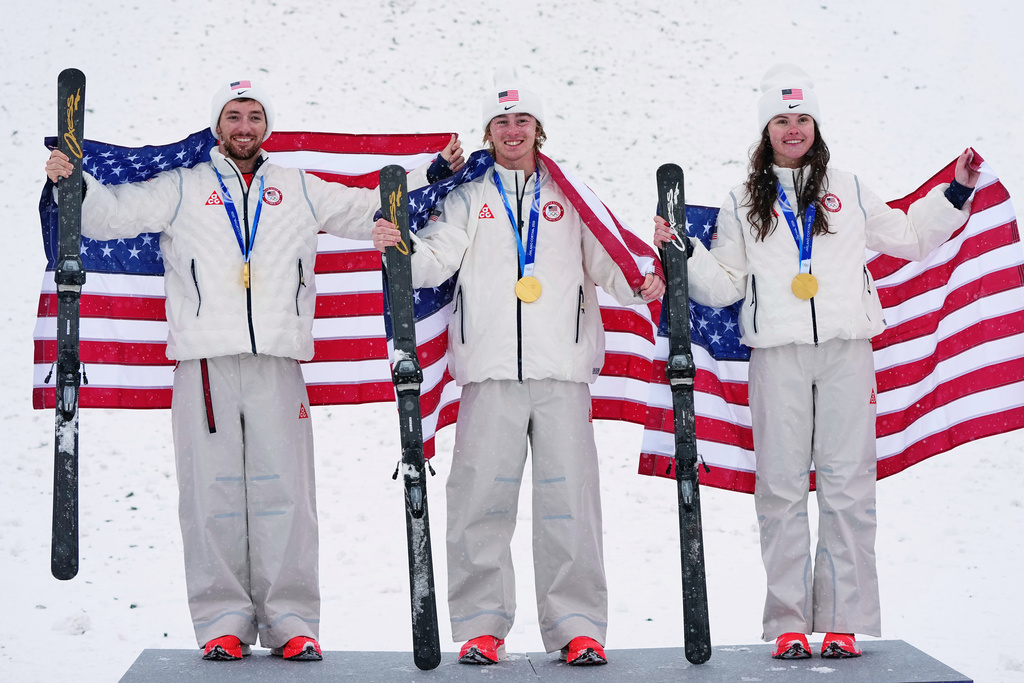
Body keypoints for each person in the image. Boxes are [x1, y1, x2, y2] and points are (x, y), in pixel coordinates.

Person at [45, 78, 464, 662]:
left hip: (278, 359)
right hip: (204, 365)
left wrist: (431, 179)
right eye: (234, 115)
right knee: (209, 494)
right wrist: (73, 181)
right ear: (218, 125)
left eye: (254, 116)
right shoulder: (183, 186)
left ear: (267, 125)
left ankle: (292, 621)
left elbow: (365, 203)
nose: (244, 126)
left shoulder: (297, 186)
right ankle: (222, 621)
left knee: (286, 494)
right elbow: (112, 215)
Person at [654, 64, 979, 660]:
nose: (793, 128)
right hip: (776, 356)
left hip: (845, 351)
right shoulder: (742, 200)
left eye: (802, 118)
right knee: (779, 487)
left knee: (848, 487)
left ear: (816, 126)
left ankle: (842, 621)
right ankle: (788, 622)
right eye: (782, 119)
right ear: (766, 131)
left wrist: (954, 192)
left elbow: (908, 236)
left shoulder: (849, 189)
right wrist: (684, 253)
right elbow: (725, 285)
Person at [373, 68, 665, 666]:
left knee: (571, 506)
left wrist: (646, 282)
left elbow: (611, 261)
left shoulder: (570, 196)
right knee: (480, 502)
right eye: (502, 122)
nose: (513, 131)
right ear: (488, 132)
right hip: (489, 375)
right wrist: (401, 246)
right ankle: (482, 626)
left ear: (540, 130)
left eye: (522, 121)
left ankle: (578, 627)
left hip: (562, 374)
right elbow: (435, 261)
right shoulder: (468, 196)